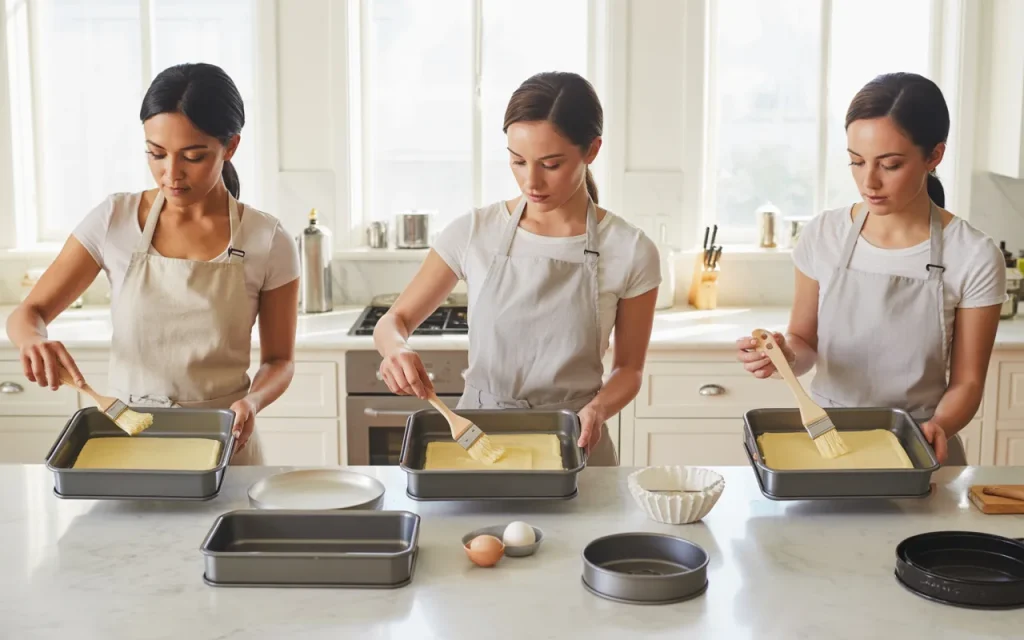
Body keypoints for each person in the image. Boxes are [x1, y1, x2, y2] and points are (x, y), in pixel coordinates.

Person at [5, 63, 300, 464]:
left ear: (230, 147)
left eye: (193, 156)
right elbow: (29, 313)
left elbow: (279, 361)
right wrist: (33, 340)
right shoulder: (114, 219)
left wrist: (254, 401)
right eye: (156, 154)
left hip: (224, 445)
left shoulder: (268, 239)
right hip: (127, 443)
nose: (171, 174)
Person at [373, 71, 661, 466]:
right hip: (477, 443)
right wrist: (396, 350)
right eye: (517, 161)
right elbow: (394, 320)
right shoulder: (475, 231)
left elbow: (629, 369)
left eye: (551, 164)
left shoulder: (631, 249)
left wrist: (598, 409)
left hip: (575, 443)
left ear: (591, 150)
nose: (532, 181)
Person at [736, 72, 1005, 465]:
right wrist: (785, 356)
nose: (869, 181)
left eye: (890, 164)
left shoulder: (973, 254)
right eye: (856, 162)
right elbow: (804, 340)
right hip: (827, 440)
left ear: (934, 156)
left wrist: (941, 425)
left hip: (919, 447)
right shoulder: (824, 234)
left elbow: (967, 382)